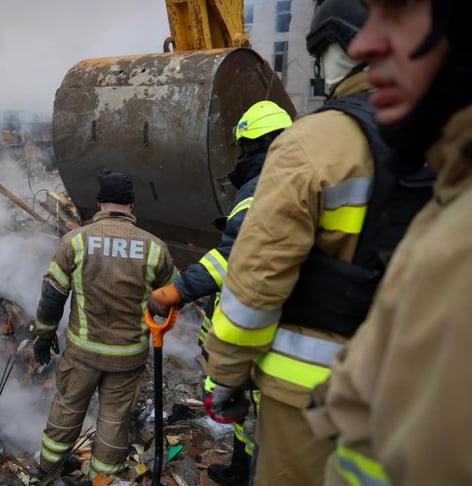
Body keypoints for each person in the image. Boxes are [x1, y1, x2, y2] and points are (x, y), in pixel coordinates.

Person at [198, 0, 432, 484]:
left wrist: (225, 377)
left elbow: (256, 287)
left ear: (333, 54)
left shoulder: (313, 145)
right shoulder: (444, 138)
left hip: (311, 395)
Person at [308, 1, 472, 484]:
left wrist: (228, 373)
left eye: (398, 9)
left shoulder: (458, 242)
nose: (363, 44)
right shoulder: (445, 200)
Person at [148, 100, 293, 486]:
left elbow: (234, 256)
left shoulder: (263, 184)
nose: (241, 157)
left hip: (267, 331)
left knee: (264, 420)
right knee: (249, 416)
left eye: (244, 148)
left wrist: (175, 291)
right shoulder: (293, 176)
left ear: (257, 146)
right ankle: (240, 471)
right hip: (276, 322)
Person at [32, 170, 177, 480]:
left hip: (83, 353)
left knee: (67, 412)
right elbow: (170, 299)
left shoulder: (75, 242)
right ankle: (104, 478)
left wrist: (43, 338)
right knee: (114, 422)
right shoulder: (155, 248)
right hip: (128, 357)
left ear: (99, 204)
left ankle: (46, 471)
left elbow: (52, 297)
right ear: (132, 207)